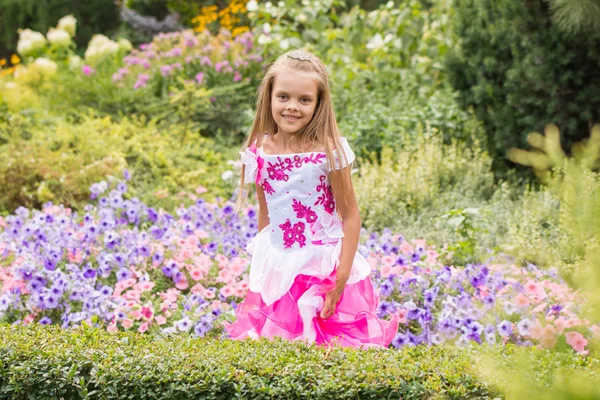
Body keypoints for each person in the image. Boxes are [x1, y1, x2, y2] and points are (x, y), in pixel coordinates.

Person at [222, 49, 399, 349]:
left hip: (321, 269)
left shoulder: (328, 151)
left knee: (328, 349)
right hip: (281, 270)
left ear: (318, 103)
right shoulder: (259, 153)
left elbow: (351, 215)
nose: (292, 107)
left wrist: (340, 278)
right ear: (270, 97)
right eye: (284, 97)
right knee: (280, 351)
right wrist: (266, 272)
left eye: (304, 100)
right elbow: (266, 219)